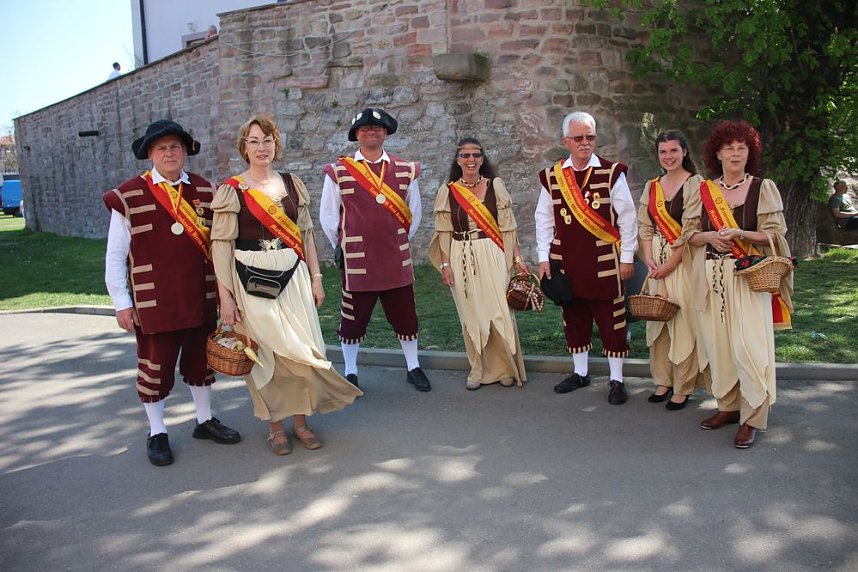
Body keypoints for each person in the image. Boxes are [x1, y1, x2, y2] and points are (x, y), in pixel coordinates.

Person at [211, 114, 361, 456]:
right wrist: (226, 297)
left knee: (301, 348)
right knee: (267, 355)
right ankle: (275, 426)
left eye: (267, 140)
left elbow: (306, 235)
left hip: (293, 276)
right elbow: (221, 245)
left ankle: (301, 422)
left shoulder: (292, 184)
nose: (262, 147)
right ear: (243, 147)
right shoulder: (232, 190)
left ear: (275, 145)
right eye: (254, 141)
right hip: (250, 279)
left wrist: (316, 279)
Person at [103, 120, 241, 467]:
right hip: (155, 302)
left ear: (185, 152)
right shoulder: (129, 194)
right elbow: (115, 255)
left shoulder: (206, 192)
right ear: (150, 153)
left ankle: (204, 420)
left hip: (200, 296)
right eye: (162, 148)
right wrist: (122, 302)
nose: (169, 153)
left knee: (201, 363)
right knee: (155, 369)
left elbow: (223, 245)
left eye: (175, 147)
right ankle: (157, 432)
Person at [682, 119, 794, 449]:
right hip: (711, 277)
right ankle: (728, 407)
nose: (735, 153)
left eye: (741, 148)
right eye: (728, 148)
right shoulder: (702, 190)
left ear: (750, 153)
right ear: (717, 153)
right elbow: (688, 235)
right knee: (719, 347)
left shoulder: (763, 188)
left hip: (748, 278)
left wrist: (740, 234)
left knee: (749, 347)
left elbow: (775, 234)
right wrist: (709, 237)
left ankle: (753, 417)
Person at [320, 108, 431, 392]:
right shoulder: (339, 171)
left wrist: (396, 241)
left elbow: (414, 214)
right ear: (357, 134)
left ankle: (413, 366)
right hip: (358, 259)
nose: (371, 132)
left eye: (377, 128)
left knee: (406, 315)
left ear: (386, 133)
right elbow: (329, 217)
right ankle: (351, 372)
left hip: (395, 257)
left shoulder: (405, 169)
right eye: (365, 129)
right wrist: (343, 245)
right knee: (353, 319)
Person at [535, 111, 638, 404]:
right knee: (574, 316)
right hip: (566, 261)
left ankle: (617, 379)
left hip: (604, 261)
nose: (585, 143)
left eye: (590, 137)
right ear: (565, 141)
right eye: (578, 138)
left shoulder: (611, 172)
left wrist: (627, 257)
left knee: (611, 319)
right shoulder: (552, 176)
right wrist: (544, 257)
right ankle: (580, 373)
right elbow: (543, 218)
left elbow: (628, 219)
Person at [428, 137, 529, 390]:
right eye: (465, 155)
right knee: (471, 314)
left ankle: (506, 368)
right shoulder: (448, 191)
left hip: (493, 252)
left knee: (499, 312)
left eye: (475, 155)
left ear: (483, 159)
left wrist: (517, 259)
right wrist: (445, 265)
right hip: (460, 254)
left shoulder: (495, 186)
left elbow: (508, 228)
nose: (471, 160)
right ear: (458, 160)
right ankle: (479, 369)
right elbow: (443, 233)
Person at [637, 130, 703, 410]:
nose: (668, 157)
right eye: (663, 152)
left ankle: (684, 384)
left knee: (683, 323)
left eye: (673, 151)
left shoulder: (695, 183)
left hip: (683, 260)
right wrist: (650, 260)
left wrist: (670, 264)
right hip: (656, 261)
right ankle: (663, 379)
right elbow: (645, 226)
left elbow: (691, 228)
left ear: (684, 152)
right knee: (658, 322)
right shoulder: (652, 186)